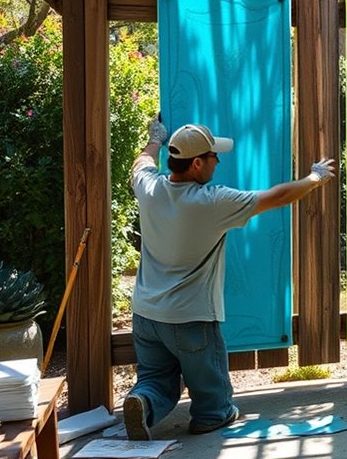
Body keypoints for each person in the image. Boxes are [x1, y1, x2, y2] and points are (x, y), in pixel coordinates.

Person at [123, 115, 335, 440]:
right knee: (213, 399)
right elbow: (276, 197)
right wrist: (314, 178)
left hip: (146, 316)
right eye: (212, 156)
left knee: (154, 377)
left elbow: (142, 161)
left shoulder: (149, 188)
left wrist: (155, 138)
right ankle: (212, 415)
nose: (217, 161)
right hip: (190, 318)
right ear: (196, 164)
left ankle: (143, 401)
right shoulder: (211, 202)